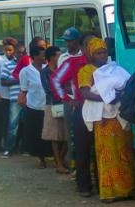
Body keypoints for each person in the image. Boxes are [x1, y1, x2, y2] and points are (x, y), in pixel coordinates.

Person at [78, 38, 135, 202]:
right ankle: (109, 192)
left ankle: (129, 190)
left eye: (104, 51)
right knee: (107, 155)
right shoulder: (85, 71)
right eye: (98, 53)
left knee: (125, 153)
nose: (102, 55)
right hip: (103, 119)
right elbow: (85, 93)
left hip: (120, 116)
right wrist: (107, 98)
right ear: (91, 54)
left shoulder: (114, 68)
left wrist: (120, 95)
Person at [52, 28, 94, 194]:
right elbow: (56, 80)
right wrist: (68, 99)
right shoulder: (72, 62)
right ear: (83, 47)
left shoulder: (105, 63)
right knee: (82, 148)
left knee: (99, 149)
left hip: (103, 111)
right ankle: (83, 185)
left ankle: (103, 185)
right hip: (82, 109)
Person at [17, 45, 52, 169]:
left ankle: (50, 156)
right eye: (42, 55)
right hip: (34, 107)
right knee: (37, 134)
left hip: (48, 106)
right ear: (35, 56)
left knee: (49, 133)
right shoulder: (26, 72)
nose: (45, 57)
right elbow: (24, 90)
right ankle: (40, 158)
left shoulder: (47, 69)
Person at [39, 46, 70, 174]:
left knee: (66, 135)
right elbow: (48, 89)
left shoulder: (61, 69)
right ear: (51, 57)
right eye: (58, 55)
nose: (60, 57)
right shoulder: (45, 72)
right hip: (52, 105)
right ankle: (59, 162)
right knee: (55, 136)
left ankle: (60, 160)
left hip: (63, 103)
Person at [0, 38, 24, 158]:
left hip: (28, 99)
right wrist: (17, 80)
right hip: (14, 98)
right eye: (18, 52)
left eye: (23, 53)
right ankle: (8, 149)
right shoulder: (8, 65)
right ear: (15, 53)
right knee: (13, 125)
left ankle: (23, 148)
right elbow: (3, 81)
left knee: (26, 124)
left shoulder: (29, 65)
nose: (20, 54)